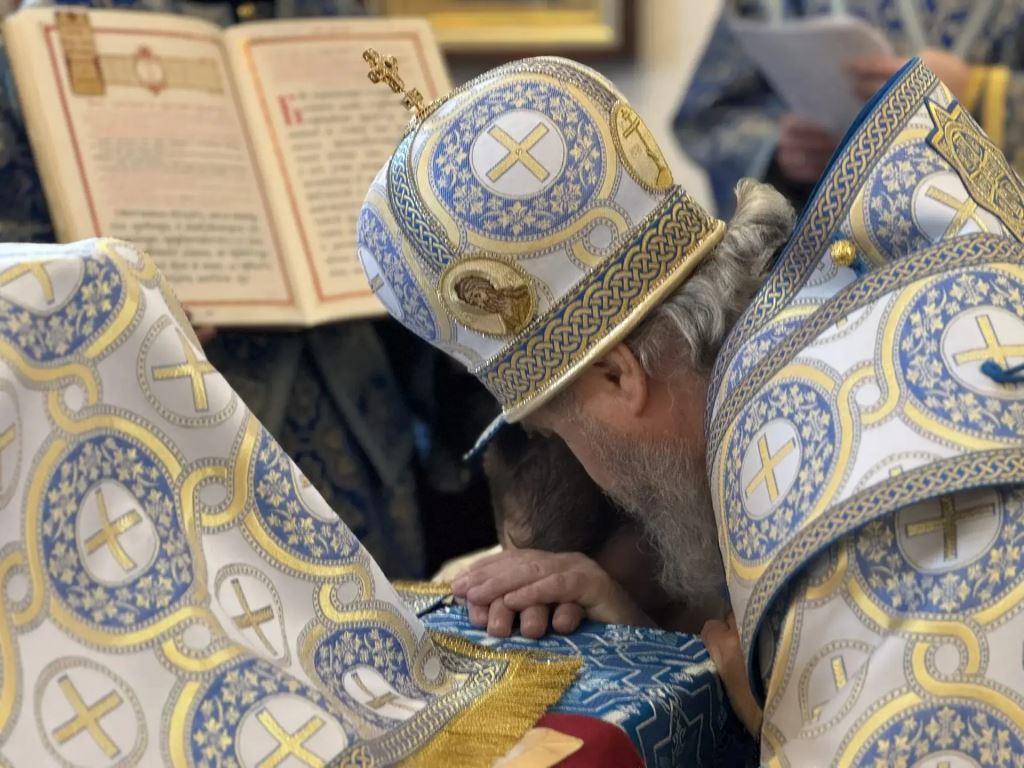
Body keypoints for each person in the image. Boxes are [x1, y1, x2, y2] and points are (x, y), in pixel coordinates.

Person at [359, 49, 1024, 762]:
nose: (594, 473)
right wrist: (640, 636)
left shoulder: (827, 491)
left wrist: (768, 724)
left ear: (618, 376)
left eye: (559, 430)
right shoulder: (832, 347)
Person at [0, 0, 502, 579]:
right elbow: (23, 274)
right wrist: (112, 302)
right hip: (176, 434)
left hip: (361, 433)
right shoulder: (46, 33)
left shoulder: (337, 13)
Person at [675, 0, 1024, 216]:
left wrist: (979, 91)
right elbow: (707, 115)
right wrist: (778, 151)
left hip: (986, 245)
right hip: (831, 259)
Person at [468, 425, 704, 637]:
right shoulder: (481, 589)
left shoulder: (717, 565)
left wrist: (643, 639)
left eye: (660, 611)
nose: (568, 621)